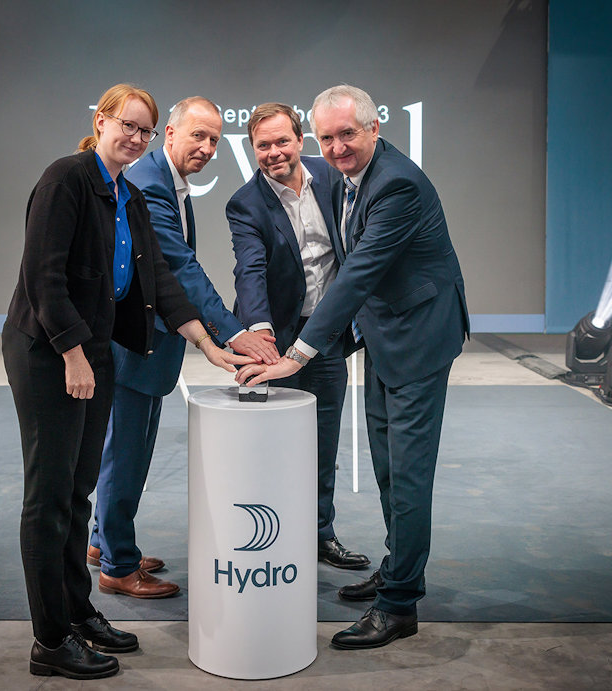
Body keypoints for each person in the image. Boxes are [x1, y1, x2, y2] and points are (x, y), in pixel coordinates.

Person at [3, 83, 250, 680]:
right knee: (49, 497)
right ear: (102, 120)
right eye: (128, 125)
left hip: (95, 350)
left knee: (78, 492)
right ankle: (50, 640)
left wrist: (210, 346)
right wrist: (72, 354)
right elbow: (43, 276)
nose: (136, 138)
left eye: (145, 130)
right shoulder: (65, 179)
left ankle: (79, 612)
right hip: (48, 352)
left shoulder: (128, 195)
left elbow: (160, 282)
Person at [237, 85, 470, 650]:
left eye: (348, 134)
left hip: (418, 340)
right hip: (384, 337)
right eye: (328, 137)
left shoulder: (396, 184)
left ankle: (399, 604)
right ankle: (397, 570)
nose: (337, 147)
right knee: (388, 467)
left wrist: (297, 354)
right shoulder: (343, 177)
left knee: (407, 474)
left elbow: (359, 272)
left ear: (374, 129)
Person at [88, 96, 278, 598]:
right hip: (136, 345)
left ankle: (103, 541)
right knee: (125, 455)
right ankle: (118, 565)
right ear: (169, 134)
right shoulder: (152, 183)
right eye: (198, 135)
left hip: (150, 343)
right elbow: (180, 268)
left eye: (214, 139)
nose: (208, 147)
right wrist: (233, 332)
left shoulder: (166, 180)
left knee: (125, 450)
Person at [226, 102, 370, 570]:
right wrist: (261, 334)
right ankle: (271, 539)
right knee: (270, 448)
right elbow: (249, 271)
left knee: (323, 443)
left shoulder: (331, 177)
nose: (274, 152)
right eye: (263, 145)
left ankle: (320, 536)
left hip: (325, 337)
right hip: (274, 344)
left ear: (300, 140)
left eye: (282, 141)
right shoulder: (245, 204)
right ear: (252, 149)